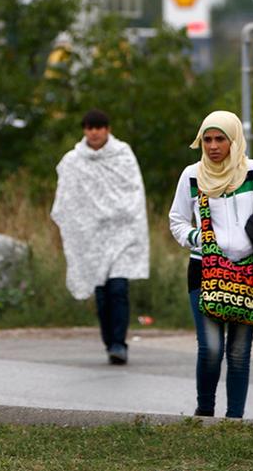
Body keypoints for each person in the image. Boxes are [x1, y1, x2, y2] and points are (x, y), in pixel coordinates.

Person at [168, 110, 253, 418]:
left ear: (233, 140)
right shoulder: (192, 175)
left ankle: (235, 420)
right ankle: (205, 413)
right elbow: (177, 221)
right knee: (210, 348)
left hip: (248, 272)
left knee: (238, 352)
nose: (213, 146)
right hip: (204, 271)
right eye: (206, 139)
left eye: (220, 138)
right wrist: (198, 237)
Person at [50, 109, 149, 365]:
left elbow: (134, 192)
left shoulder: (123, 155)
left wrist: (118, 215)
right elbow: (66, 199)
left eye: (99, 127)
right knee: (102, 293)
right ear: (84, 130)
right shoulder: (73, 160)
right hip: (91, 237)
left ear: (107, 129)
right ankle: (110, 343)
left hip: (120, 233)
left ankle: (119, 343)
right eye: (90, 127)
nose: (94, 132)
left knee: (118, 288)